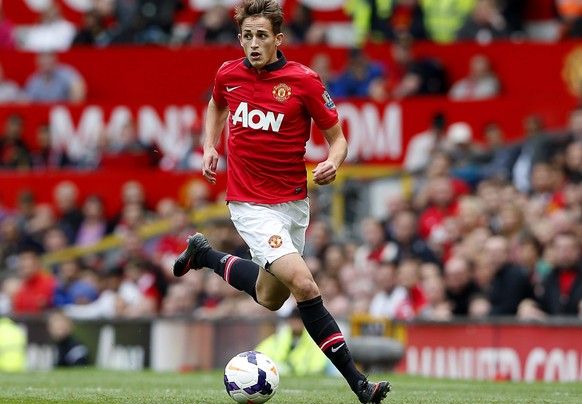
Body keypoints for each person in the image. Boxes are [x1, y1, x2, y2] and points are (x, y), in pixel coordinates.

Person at [172, 1, 391, 403]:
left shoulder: (304, 81)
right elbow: (217, 103)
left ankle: (204, 256)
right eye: (247, 36)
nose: (253, 44)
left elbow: (338, 140)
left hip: (292, 204)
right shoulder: (228, 73)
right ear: (240, 38)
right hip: (249, 204)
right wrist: (208, 144)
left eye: (261, 36)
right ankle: (360, 384)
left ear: (278, 39)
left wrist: (332, 162)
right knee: (305, 285)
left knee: (272, 298)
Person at [255, 308, 328, 376]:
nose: (295, 323)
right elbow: (261, 351)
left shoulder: (312, 340)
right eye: (293, 320)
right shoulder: (280, 337)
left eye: (297, 320)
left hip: (303, 373)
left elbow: (317, 365)